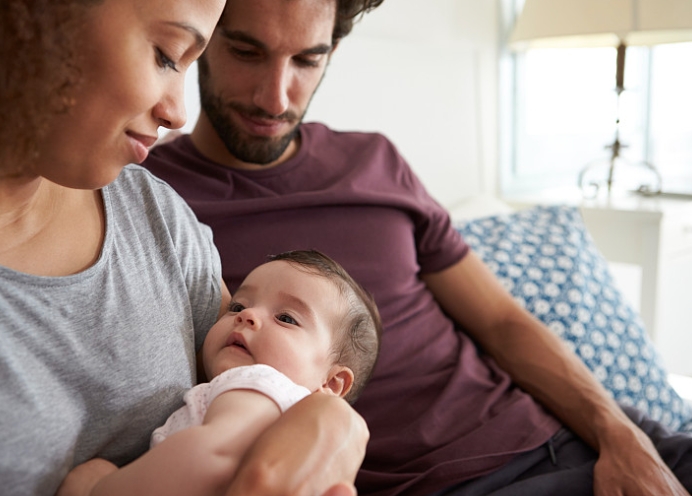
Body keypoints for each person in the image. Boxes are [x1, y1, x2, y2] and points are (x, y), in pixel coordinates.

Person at [142, 0, 692, 494]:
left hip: (571, 435)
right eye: (245, 50)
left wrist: (621, 435)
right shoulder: (153, 198)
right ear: (204, 35)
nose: (276, 96)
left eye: (308, 60)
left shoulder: (376, 162)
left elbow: (502, 322)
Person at [0, 2, 369, 496]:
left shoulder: (153, 213)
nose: (177, 113)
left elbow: (261, 375)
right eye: (167, 55)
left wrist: (337, 425)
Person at [60, 249, 382, 496]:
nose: (248, 316)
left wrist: (100, 486)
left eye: (286, 318)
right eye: (238, 306)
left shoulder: (259, 382)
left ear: (332, 382)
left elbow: (213, 457)